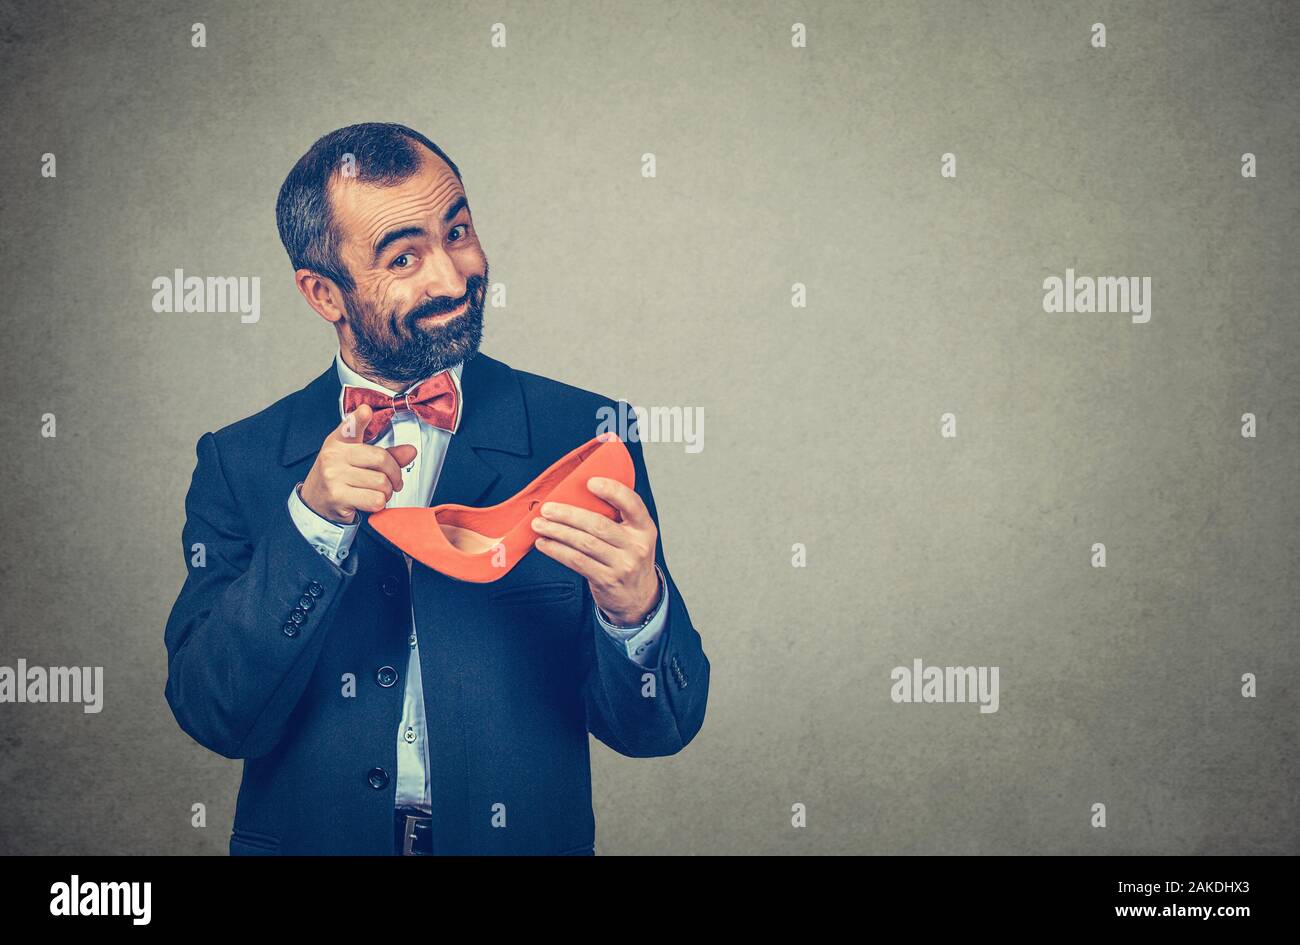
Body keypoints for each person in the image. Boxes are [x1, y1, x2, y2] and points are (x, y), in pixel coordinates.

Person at [163, 122, 710, 855]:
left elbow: (656, 729)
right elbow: (215, 713)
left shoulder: (581, 432)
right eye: (404, 257)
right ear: (323, 292)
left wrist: (635, 609)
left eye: (457, 231)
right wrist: (313, 525)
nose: (453, 278)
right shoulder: (240, 461)